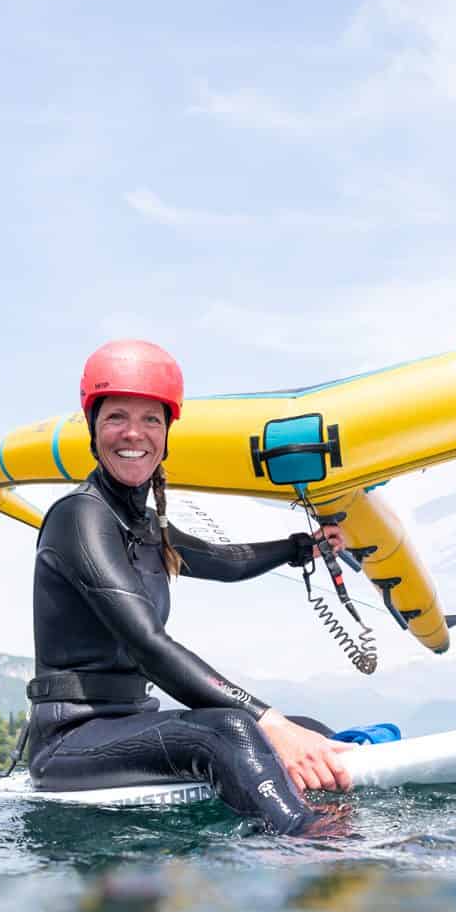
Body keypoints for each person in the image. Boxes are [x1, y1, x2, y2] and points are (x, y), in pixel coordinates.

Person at [25, 338, 355, 834]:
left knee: (311, 732)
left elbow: (225, 560)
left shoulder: (146, 527)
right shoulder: (81, 518)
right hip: (70, 739)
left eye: (151, 420)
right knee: (230, 732)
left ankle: (350, 821)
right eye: (117, 417)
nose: (133, 433)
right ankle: (320, 846)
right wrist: (268, 721)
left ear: (166, 434)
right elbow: (148, 646)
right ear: (93, 429)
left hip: (126, 722)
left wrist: (299, 546)